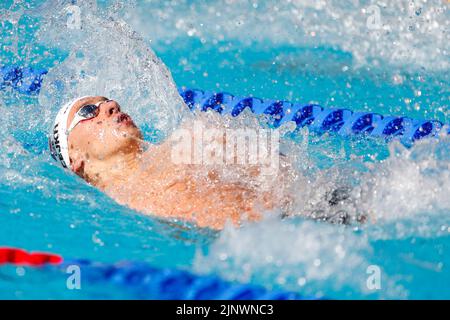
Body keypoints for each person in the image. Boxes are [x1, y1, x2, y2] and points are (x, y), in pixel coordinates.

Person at [49, 96, 292, 230]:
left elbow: (278, 162)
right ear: (75, 157)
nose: (111, 106)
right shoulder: (122, 211)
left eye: (108, 102)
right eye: (89, 111)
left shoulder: (190, 137)